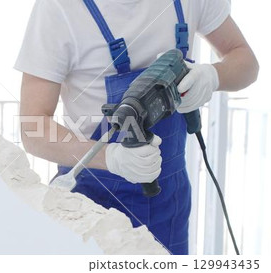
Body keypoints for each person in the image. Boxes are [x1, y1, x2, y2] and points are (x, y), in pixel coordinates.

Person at [15, 0, 258, 254]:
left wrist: (212, 76)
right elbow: (33, 129)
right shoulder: (58, 9)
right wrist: (110, 157)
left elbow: (247, 62)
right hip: (94, 202)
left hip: (169, 202)